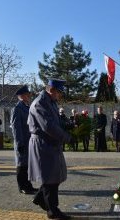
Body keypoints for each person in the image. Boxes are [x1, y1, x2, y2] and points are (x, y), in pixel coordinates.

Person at [28, 79, 72, 220]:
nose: (60, 96)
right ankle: (52, 210)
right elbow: (48, 126)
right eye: (59, 92)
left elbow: (56, 121)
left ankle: (41, 199)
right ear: (52, 90)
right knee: (49, 178)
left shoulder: (50, 101)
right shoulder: (40, 103)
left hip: (50, 143)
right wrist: (66, 137)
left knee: (54, 176)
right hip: (43, 144)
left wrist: (69, 125)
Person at [10, 85, 37, 194]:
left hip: (28, 141)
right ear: (21, 96)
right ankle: (22, 187)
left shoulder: (26, 107)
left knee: (27, 165)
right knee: (21, 165)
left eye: (29, 94)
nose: (29, 96)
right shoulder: (17, 109)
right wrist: (19, 143)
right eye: (27, 94)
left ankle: (28, 185)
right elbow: (16, 128)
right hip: (22, 141)